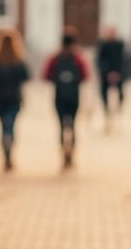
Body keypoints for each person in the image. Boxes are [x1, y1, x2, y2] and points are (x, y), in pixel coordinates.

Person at [0, 29, 30, 172]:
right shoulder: (18, 60)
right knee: (11, 125)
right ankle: (10, 147)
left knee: (3, 127)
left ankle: (5, 153)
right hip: (14, 98)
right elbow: (25, 79)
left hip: (0, 98)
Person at [42, 27, 89, 170]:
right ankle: (72, 155)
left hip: (59, 96)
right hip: (74, 96)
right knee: (73, 125)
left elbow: (46, 76)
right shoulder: (78, 58)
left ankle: (63, 153)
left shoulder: (55, 58)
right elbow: (85, 76)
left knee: (62, 126)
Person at [95, 25, 128, 123]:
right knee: (103, 91)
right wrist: (107, 72)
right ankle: (106, 109)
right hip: (106, 74)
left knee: (121, 92)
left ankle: (118, 108)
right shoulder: (102, 45)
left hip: (118, 72)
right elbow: (100, 60)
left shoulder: (120, 44)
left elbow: (123, 60)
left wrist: (118, 73)